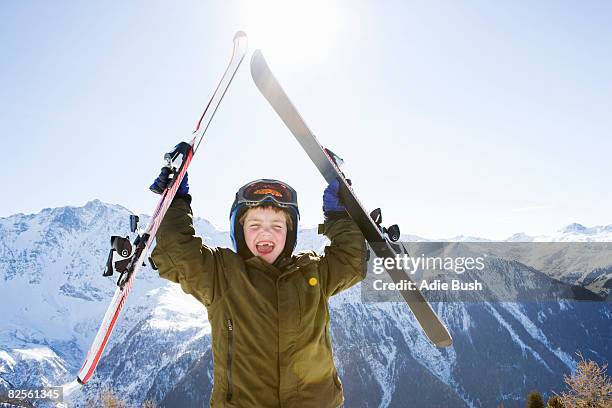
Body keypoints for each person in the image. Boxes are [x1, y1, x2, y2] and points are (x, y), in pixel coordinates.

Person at [150, 166, 366, 407]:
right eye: (254, 225)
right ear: (239, 232)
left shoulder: (311, 272)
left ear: (289, 233)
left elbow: (351, 261)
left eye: (277, 226)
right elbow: (177, 254)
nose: (266, 233)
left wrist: (339, 217)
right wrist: (176, 202)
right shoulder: (220, 275)